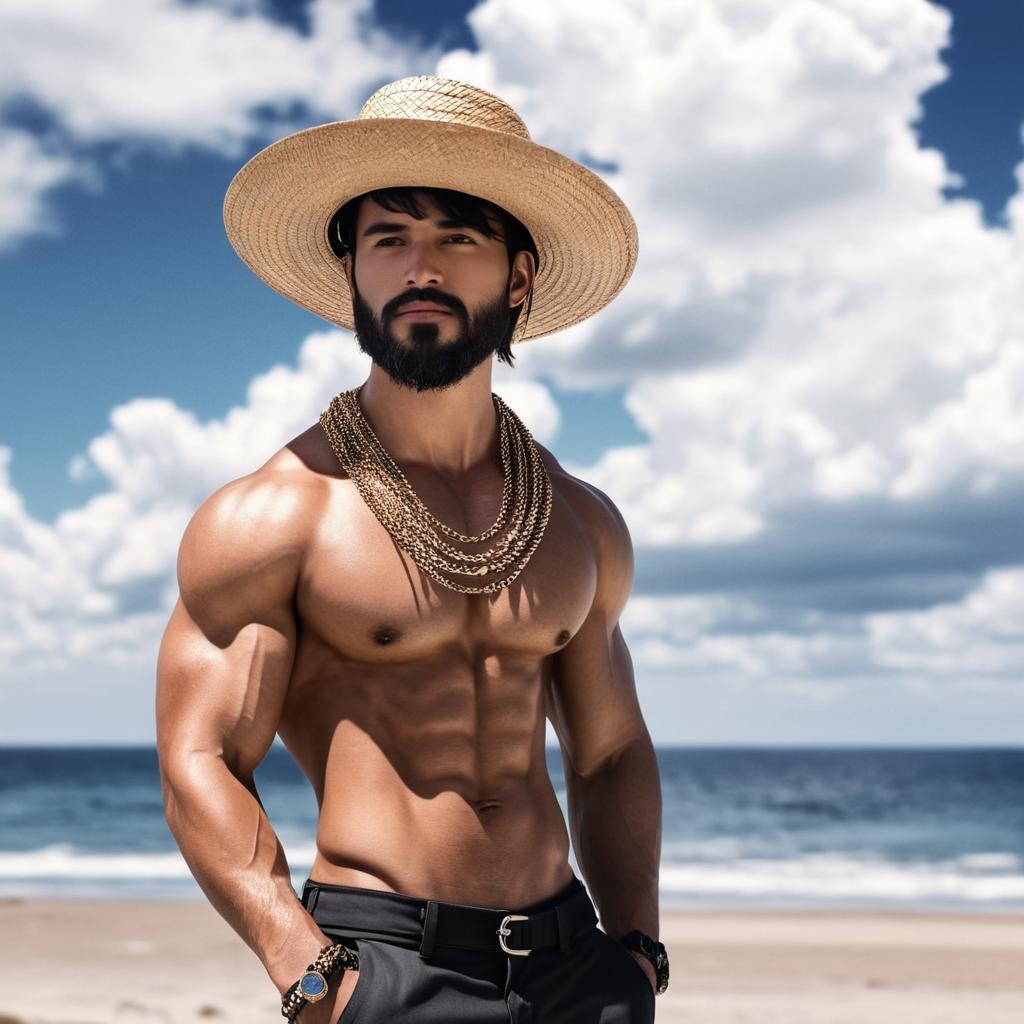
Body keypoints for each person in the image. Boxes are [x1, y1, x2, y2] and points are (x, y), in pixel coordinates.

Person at [156, 75, 668, 1023]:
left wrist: (635, 948)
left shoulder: (578, 519)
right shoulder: (275, 517)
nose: (419, 268)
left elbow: (610, 752)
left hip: (575, 967)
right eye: (389, 239)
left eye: (457, 239)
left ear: (519, 277)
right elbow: (201, 757)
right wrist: (310, 974)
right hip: (384, 967)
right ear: (353, 270)